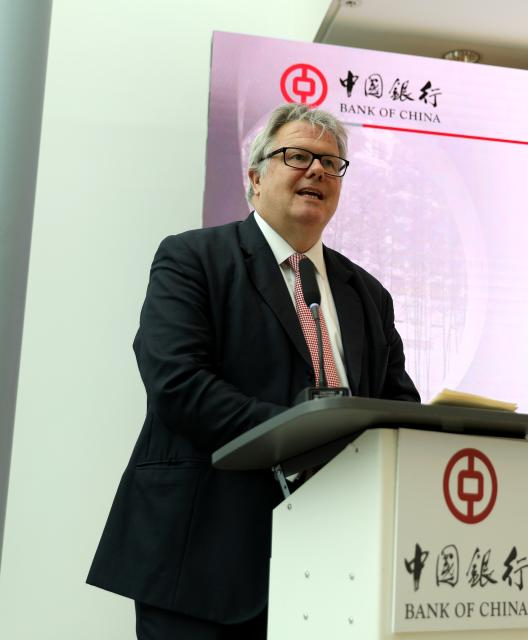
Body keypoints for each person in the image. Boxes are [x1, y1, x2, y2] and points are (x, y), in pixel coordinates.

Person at [87, 103, 420, 639]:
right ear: (256, 177)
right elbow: (177, 383)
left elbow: (398, 404)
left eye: (331, 163)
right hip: (204, 559)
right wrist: (306, 435)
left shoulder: (367, 293)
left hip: (335, 565)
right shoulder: (193, 259)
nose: (317, 171)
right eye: (298, 156)